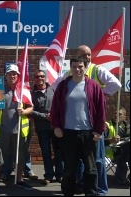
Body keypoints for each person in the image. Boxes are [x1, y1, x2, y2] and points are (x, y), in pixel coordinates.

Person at [52, 45, 122, 196]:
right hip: (68, 133)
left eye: (80, 67)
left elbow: (101, 110)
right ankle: (68, 193)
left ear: (85, 67)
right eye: (75, 67)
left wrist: (99, 130)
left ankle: (92, 193)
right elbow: (56, 108)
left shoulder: (94, 86)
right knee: (70, 168)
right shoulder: (63, 86)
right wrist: (56, 126)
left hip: (88, 133)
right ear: (70, 67)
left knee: (91, 168)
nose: (78, 69)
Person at [0, 63, 34, 192]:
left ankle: (19, 180)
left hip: (19, 130)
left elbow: (30, 106)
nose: (12, 76)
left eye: (14, 74)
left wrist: (25, 112)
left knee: (20, 157)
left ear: (18, 76)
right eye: (9, 74)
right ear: (6, 76)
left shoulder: (23, 90)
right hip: (2, 130)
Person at [30, 70, 63, 185]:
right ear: (34, 78)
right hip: (42, 127)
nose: (40, 78)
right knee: (46, 152)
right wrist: (45, 116)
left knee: (59, 151)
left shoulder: (54, 89)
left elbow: (61, 105)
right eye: (37, 76)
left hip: (56, 126)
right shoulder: (31, 94)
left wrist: (53, 115)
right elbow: (30, 111)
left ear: (46, 78)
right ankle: (48, 175)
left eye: (42, 76)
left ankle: (60, 174)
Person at [104, 107, 130, 185]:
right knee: (122, 156)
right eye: (115, 114)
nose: (116, 116)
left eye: (119, 114)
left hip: (125, 152)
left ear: (125, 117)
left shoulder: (127, 126)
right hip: (110, 152)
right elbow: (101, 140)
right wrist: (111, 140)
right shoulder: (107, 125)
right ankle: (120, 178)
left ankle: (121, 178)